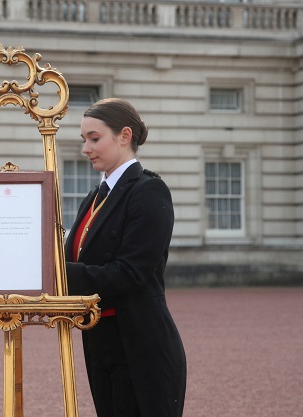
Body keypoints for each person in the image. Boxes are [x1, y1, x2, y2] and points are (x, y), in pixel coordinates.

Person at [64, 98, 187, 417]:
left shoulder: (149, 191)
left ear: (124, 136)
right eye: (84, 140)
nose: (86, 149)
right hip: (99, 342)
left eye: (94, 138)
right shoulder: (93, 197)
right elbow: (73, 257)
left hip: (141, 343)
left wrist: (56, 274)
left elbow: (130, 273)